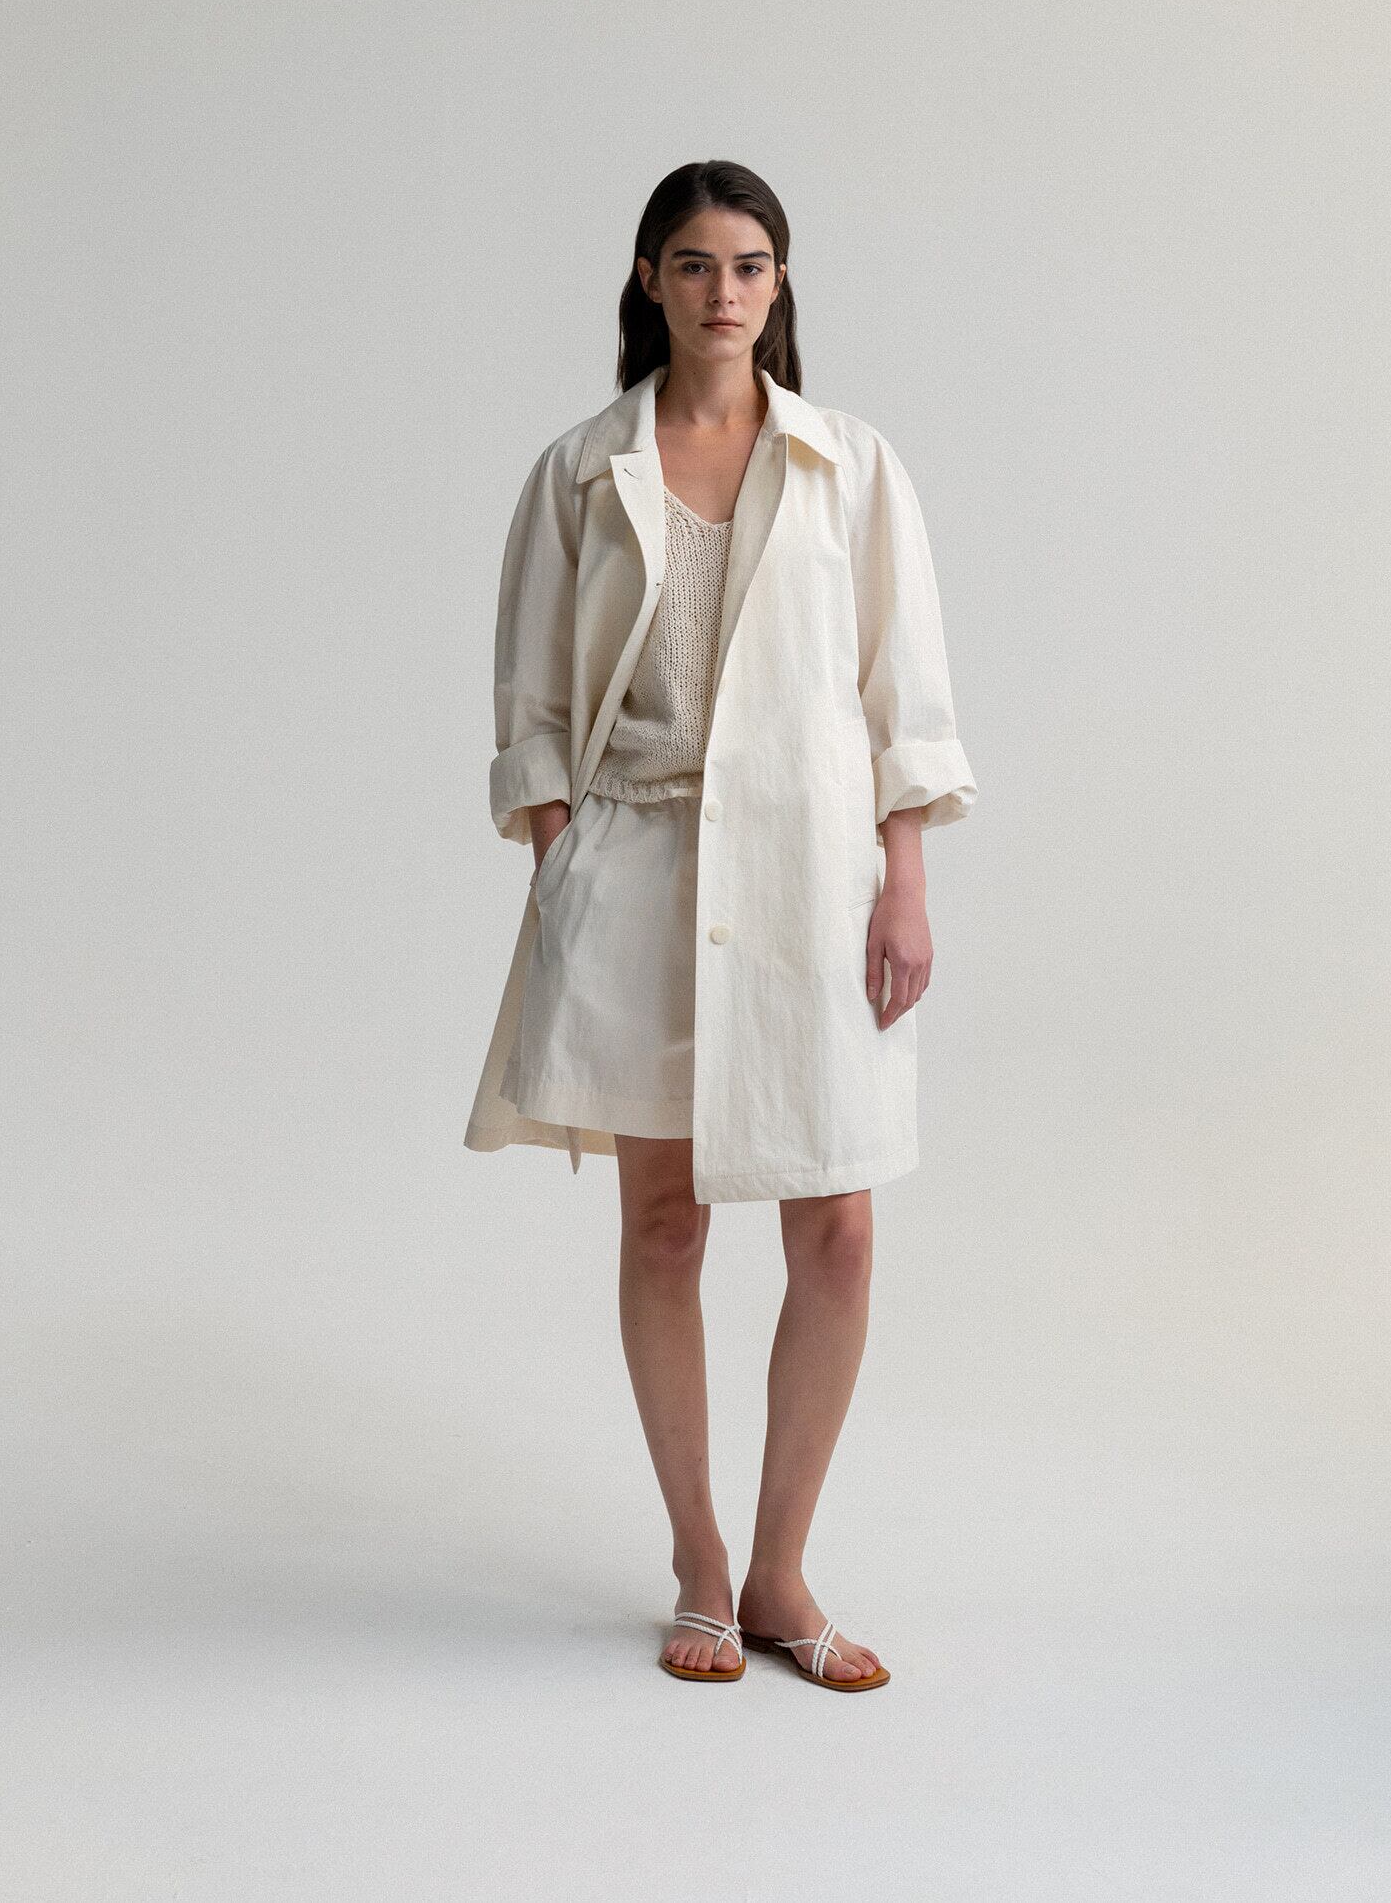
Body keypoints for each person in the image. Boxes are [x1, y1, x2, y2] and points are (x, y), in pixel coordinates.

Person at [463, 159, 976, 1690]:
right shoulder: (579, 470)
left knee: (839, 1223)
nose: (724, 291)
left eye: (750, 265)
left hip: (816, 875)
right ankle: (698, 1560)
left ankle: (779, 1568)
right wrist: (563, 857)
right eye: (694, 263)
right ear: (650, 279)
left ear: (780, 284)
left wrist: (904, 878)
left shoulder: (849, 464)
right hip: (636, 869)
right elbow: (530, 701)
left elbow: (902, 690)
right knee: (666, 1221)